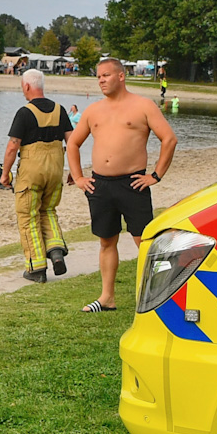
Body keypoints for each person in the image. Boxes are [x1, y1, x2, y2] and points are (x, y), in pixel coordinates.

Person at [67, 57, 176, 313]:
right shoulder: (94, 110)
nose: (101, 80)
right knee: (106, 241)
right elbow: (73, 144)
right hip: (100, 185)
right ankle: (107, 298)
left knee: (146, 242)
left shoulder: (143, 106)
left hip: (133, 184)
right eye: (98, 77)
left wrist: (155, 176)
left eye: (105, 75)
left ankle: (165, 295)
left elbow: (169, 139)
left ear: (120, 76)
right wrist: (79, 177)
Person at [0, 68, 72, 283]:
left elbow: (13, 146)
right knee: (48, 209)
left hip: (32, 169)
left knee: (27, 215)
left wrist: (5, 174)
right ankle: (56, 249)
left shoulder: (24, 112)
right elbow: (73, 140)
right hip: (56, 168)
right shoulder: (60, 110)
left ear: (27, 86)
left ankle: (36, 267)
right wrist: (75, 171)